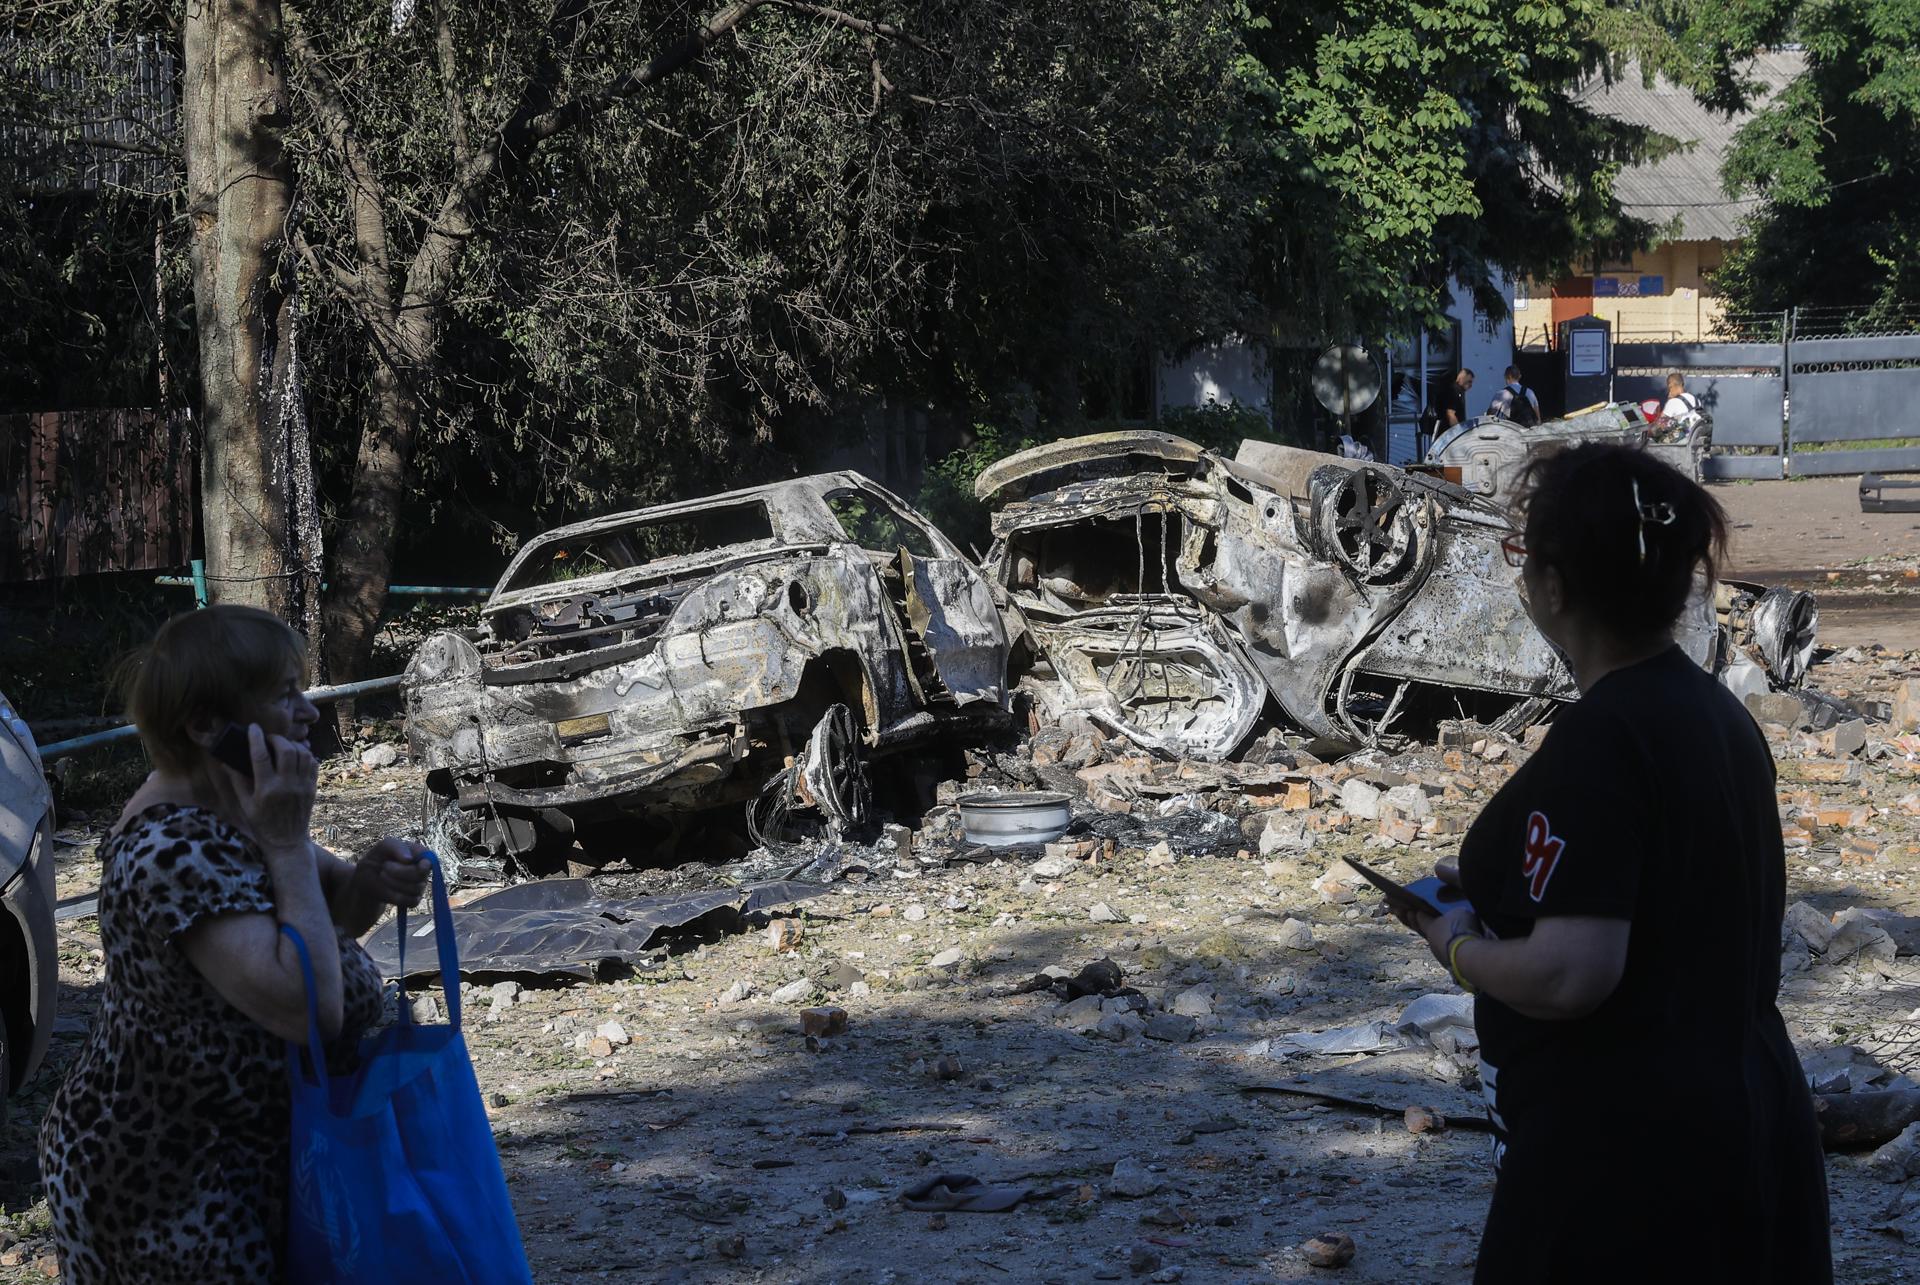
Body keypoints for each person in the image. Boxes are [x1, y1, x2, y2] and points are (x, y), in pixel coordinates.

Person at [1397, 445, 1830, 1284]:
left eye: (1524, 557)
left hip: (1627, 1161)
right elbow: (1676, 889)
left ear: (1555, 586)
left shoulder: (1602, 739)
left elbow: (1572, 973)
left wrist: (1457, 947)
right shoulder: (1719, 716)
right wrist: (1510, 885)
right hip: (1748, 1120)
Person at [39, 606, 432, 1283]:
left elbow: (325, 914)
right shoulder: (171, 847)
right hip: (168, 1180)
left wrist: (370, 879)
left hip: (240, 1158)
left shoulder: (231, 803)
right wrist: (287, 840)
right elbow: (308, 1007)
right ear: (205, 726)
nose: (307, 712)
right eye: (284, 694)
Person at [1658, 371, 1704, 438]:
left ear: (1670, 386)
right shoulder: (1696, 400)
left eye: (1669, 388)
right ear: (1682, 384)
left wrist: (1668, 400)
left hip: (1682, 441)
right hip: (1697, 440)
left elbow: (1660, 425)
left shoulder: (1672, 402)